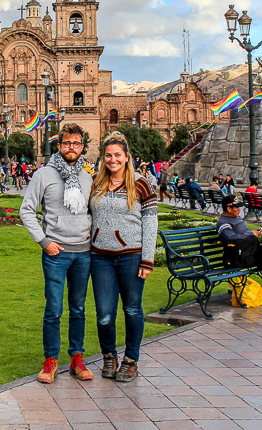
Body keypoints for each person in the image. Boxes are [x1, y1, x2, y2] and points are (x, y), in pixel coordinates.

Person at [19, 123, 95, 384]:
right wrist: (43, 241)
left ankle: (76, 358)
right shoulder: (44, 175)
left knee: (79, 308)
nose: (71, 148)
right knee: (53, 309)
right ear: (59, 146)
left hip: (83, 253)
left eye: (76, 143)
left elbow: (93, 213)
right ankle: (50, 360)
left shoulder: (88, 177)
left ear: (82, 146)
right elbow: (26, 210)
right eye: (66, 144)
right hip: (56, 253)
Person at [88, 132, 158, 382]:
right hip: (101, 258)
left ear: (127, 157)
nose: (113, 159)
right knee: (105, 313)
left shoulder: (140, 184)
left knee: (131, 309)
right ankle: (109, 355)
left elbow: (150, 221)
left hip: (131, 256)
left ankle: (131, 359)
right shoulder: (96, 183)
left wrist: (147, 259)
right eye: (108, 155)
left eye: (118, 155)